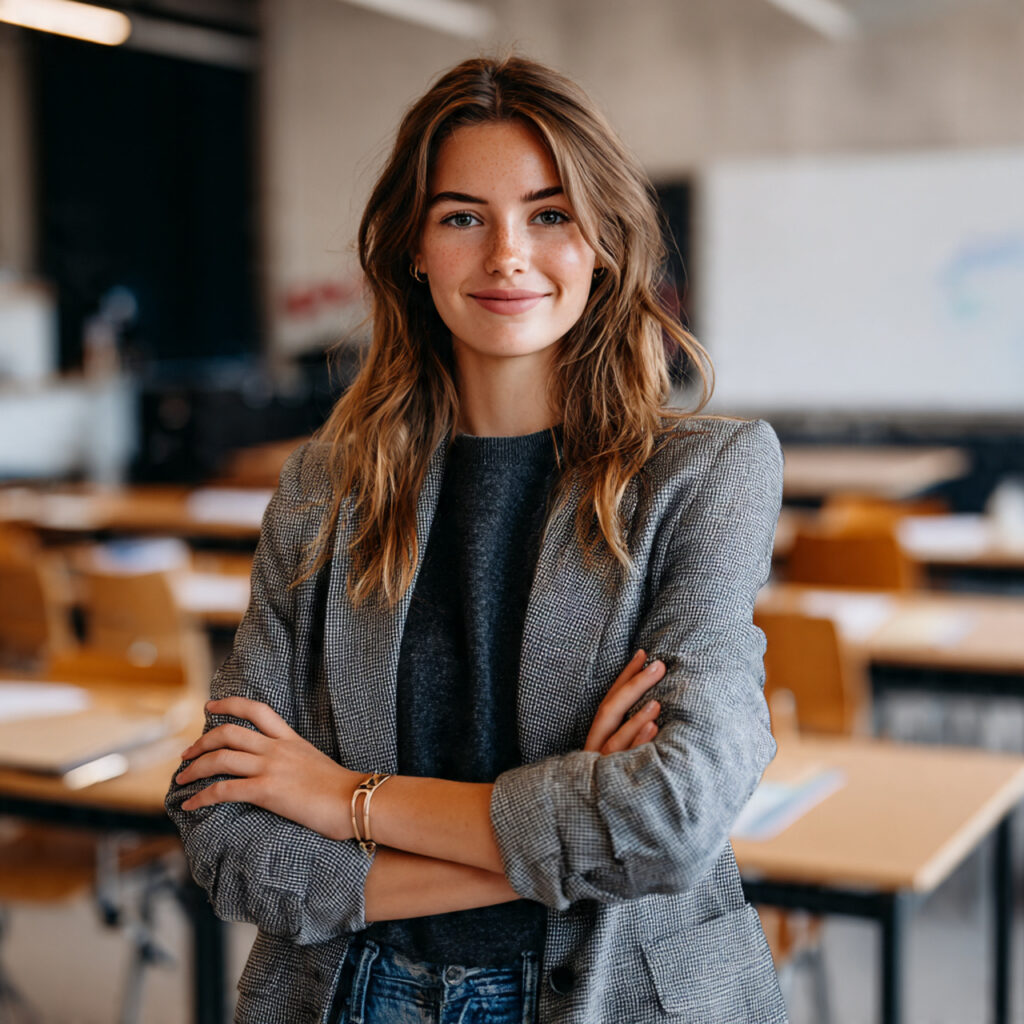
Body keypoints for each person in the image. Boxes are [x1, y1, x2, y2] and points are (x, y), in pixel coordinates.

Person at [166, 54, 788, 1024]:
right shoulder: (322, 489)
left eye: (548, 214)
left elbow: (670, 817)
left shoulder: (705, 477)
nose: (506, 254)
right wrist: (569, 832)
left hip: (614, 995)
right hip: (347, 992)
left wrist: (345, 800)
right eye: (463, 216)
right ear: (414, 245)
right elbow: (223, 831)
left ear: (603, 241)